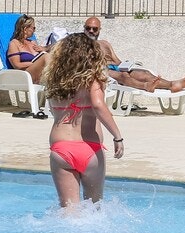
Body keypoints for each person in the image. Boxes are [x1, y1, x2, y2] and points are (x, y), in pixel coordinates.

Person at [42, 33, 125, 208]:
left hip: (61, 149)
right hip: (90, 148)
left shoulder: (54, 80)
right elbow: (97, 104)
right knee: (95, 210)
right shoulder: (93, 79)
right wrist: (117, 136)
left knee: (68, 213)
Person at [82, 17, 185, 93]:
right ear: (84, 28)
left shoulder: (104, 44)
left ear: (99, 30)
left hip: (115, 68)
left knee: (144, 73)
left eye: (94, 29)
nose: (91, 31)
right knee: (124, 76)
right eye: (88, 28)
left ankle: (172, 84)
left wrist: (126, 67)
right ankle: (146, 86)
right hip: (100, 70)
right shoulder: (79, 44)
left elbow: (117, 61)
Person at [6, 14, 49, 81]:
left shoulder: (32, 42)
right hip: (25, 75)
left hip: (39, 73)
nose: (34, 30)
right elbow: (17, 65)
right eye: (33, 28)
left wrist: (44, 49)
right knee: (46, 56)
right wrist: (36, 63)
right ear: (25, 29)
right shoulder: (14, 43)